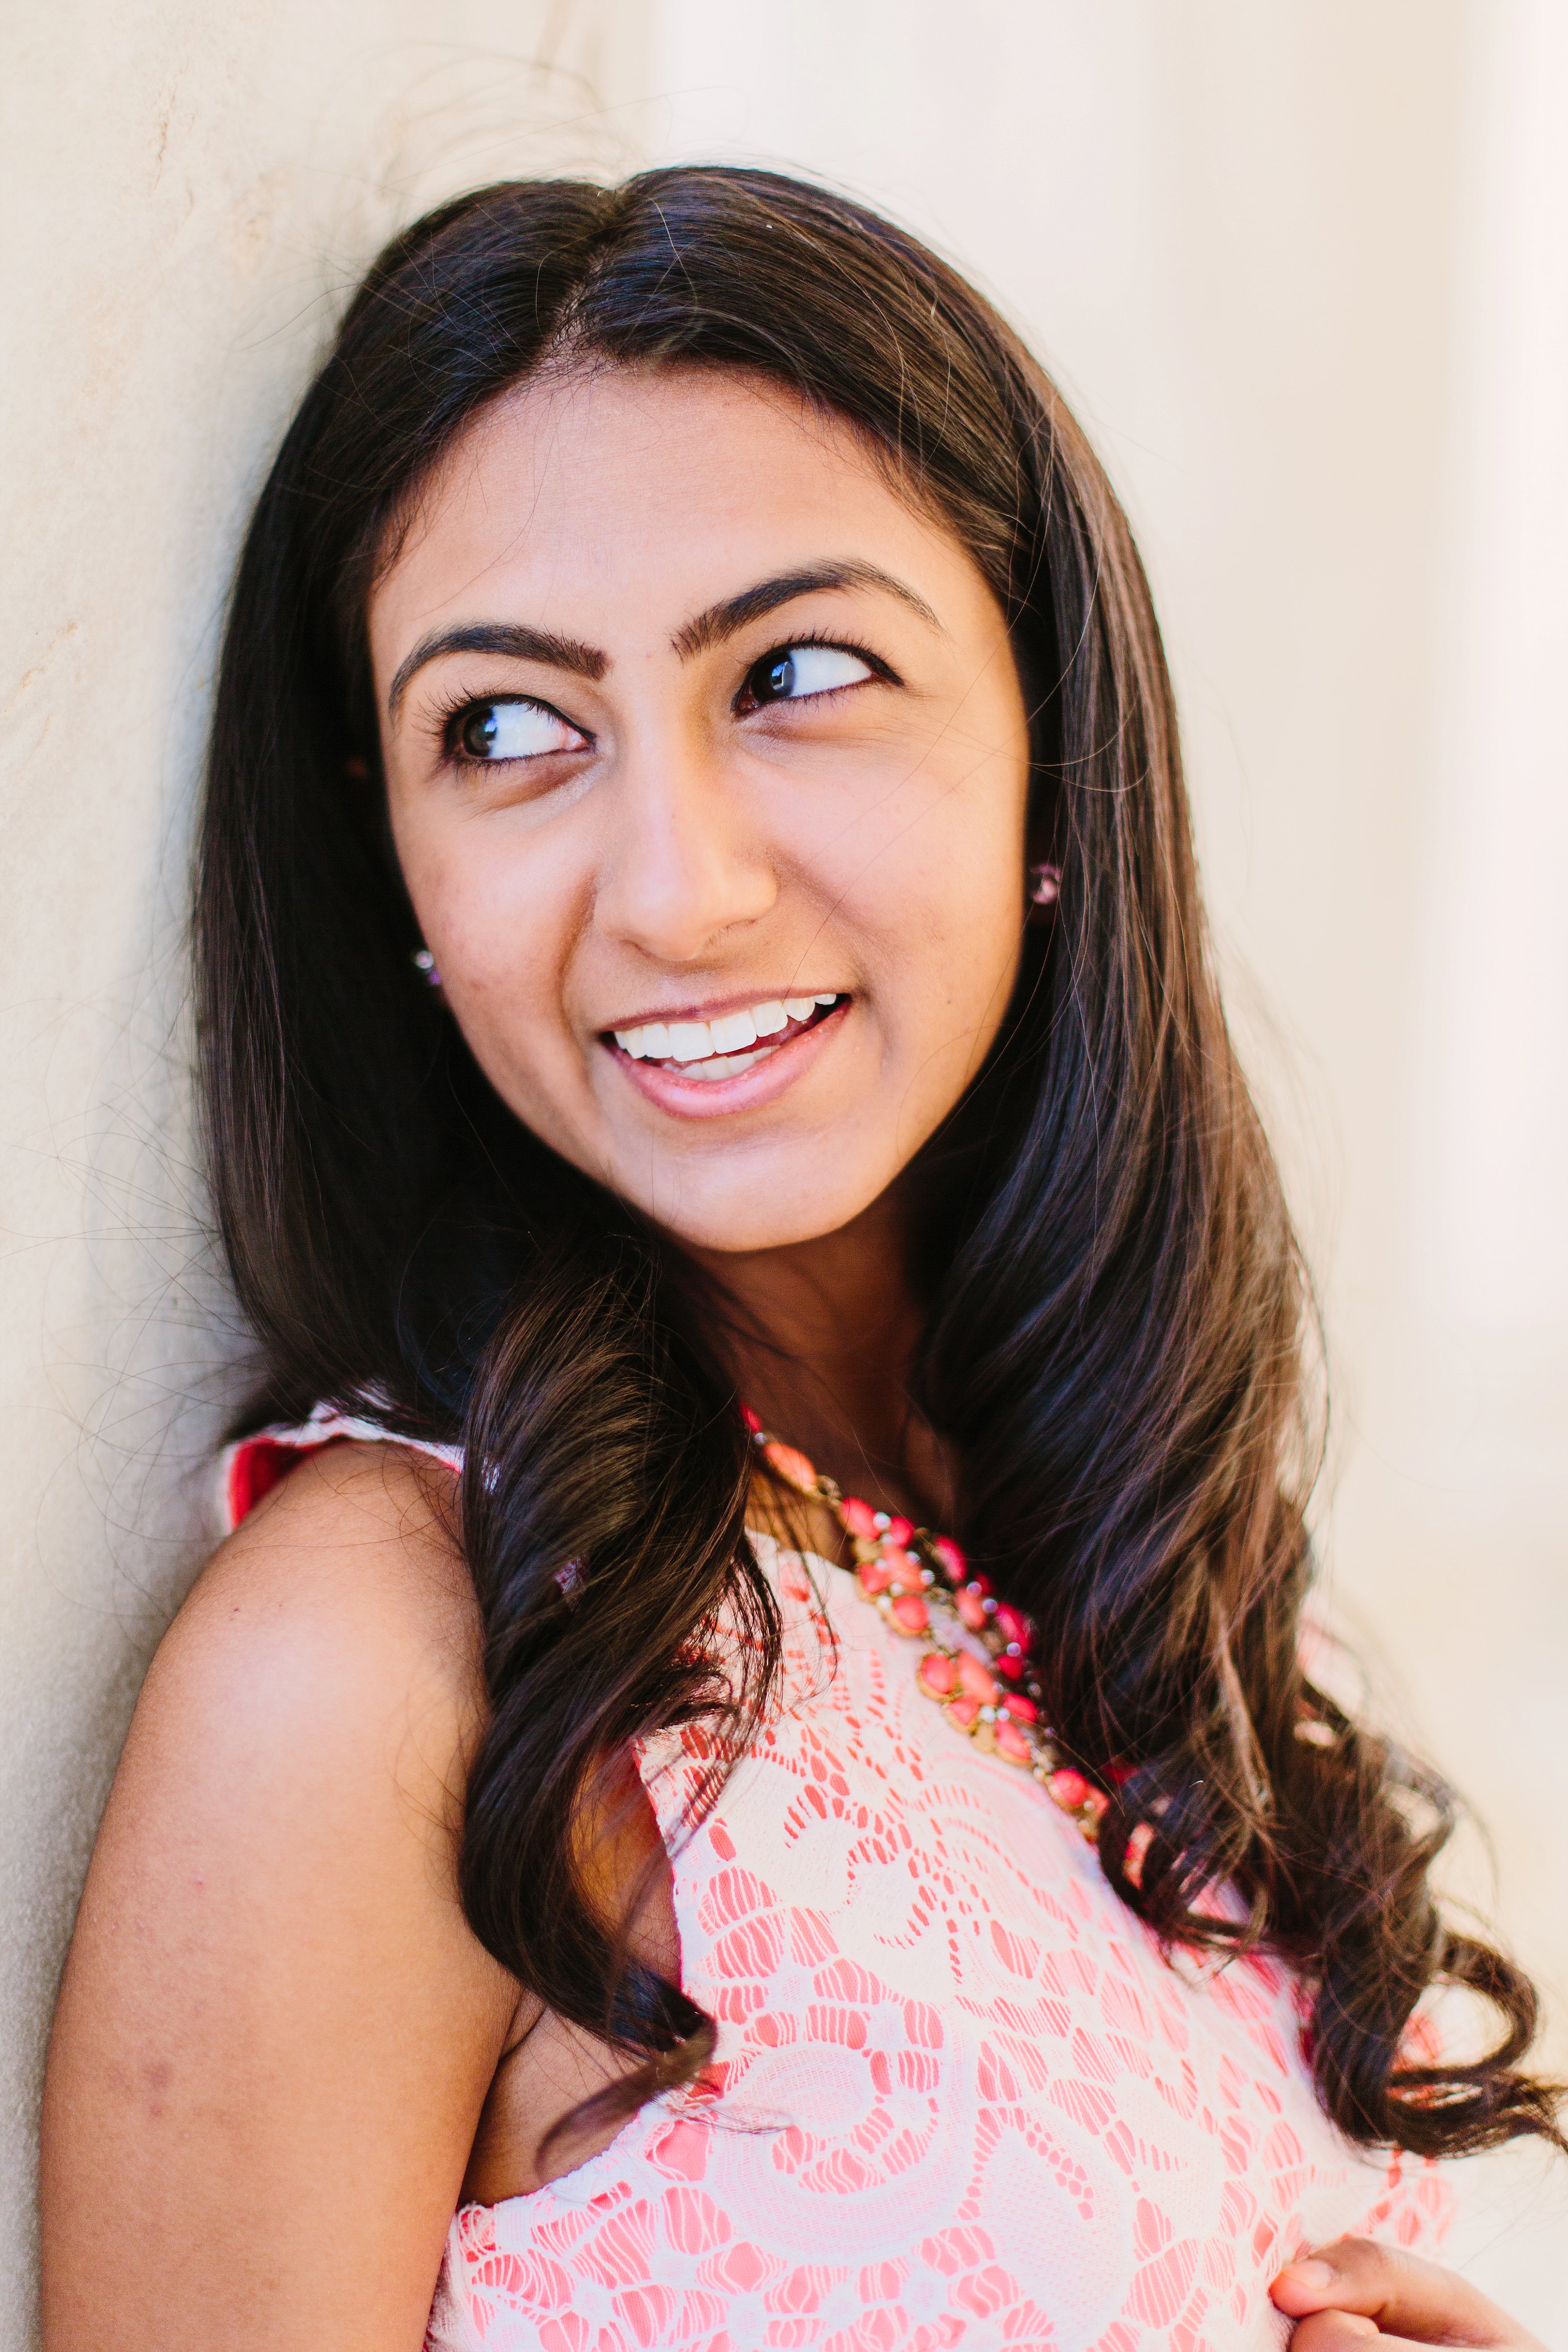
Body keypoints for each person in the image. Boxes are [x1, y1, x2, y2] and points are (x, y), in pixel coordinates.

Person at [39, 168, 1560, 2352]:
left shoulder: (1139, 1573)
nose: (675, 887)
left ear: (1051, 761)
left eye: (800, 673)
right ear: (393, 873)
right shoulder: (394, 1661)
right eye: (502, 727)